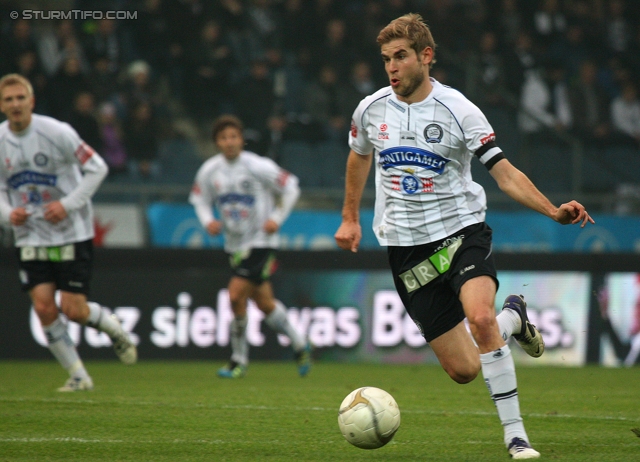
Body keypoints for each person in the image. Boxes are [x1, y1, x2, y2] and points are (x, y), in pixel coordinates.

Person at [334, 14, 594, 460]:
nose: (392, 68)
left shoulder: (460, 110)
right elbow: (358, 156)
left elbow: (505, 174)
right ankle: (516, 317)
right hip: (406, 250)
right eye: (385, 60)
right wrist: (350, 217)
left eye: (400, 57)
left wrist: (553, 210)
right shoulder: (371, 108)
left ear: (426, 57)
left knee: (479, 318)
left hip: (460, 233)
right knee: (464, 370)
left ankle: (516, 437)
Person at [0, 74, 137, 392]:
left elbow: (97, 167)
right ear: (2, 105)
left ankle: (114, 329)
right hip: (30, 234)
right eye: (9, 99)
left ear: (32, 101)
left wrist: (68, 204)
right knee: (44, 307)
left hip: (70, 231)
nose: (16, 104)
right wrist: (8, 215)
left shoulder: (57, 132)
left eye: (21, 98)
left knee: (74, 309)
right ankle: (78, 375)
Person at [189, 114, 312, 379]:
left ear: (242, 140)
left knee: (234, 296)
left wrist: (276, 219)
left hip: (261, 243)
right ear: (217, 142)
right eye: (223, 138)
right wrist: (207, 219)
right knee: (265, 303)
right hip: (235, 245)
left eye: (233, 136)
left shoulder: (258, 166)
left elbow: (291, 187)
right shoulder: (210, 171)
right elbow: (198, 198)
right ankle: (300, 344)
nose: (229, 142)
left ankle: (238, 360)